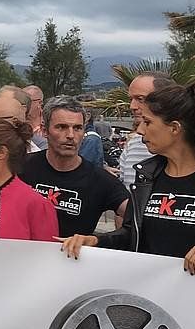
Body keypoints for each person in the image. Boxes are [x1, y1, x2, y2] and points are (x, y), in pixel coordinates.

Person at [60, 81, 195, 271]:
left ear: (174, 128)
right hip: (151, 303)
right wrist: (96, 241)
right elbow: (130, 234)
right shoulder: (146, 178)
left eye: (148, 122)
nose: (140, 130)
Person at [20, 96, 129, 237]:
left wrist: (100, 241)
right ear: (44, 130)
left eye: (77, 128)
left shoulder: (100, 180)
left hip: (73, 256)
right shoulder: (20, 168)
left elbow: (139, 218)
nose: (70, 135)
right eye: (61, 127)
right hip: (24, 254)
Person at [119, 73, 174, 187]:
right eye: (131, 99)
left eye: (140, 99)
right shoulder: (133, 144)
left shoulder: (191, 150)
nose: (132, 106)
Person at [23, 85, 48, 149]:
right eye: (21, 101)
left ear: (40, 103)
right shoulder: (17, 122)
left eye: (27, 101)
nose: (23, 104)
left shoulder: (49, 121)